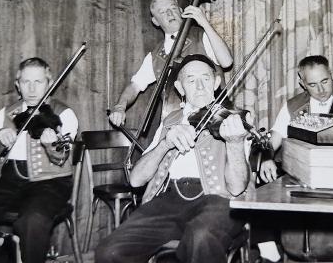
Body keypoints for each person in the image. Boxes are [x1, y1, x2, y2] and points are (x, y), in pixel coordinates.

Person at [96, 54, 250, 263]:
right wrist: (165, 144)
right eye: (191, 80)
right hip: (167, 200)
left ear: (215, 83)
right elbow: (136, 180)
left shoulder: (234, 120)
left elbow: (237, 187)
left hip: (218, 200)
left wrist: (235, 143)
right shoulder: (170, 121)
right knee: (109, 251)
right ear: (180, 88)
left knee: (200, 237)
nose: (200, 86)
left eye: (205, 78)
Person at [0, 57, 79, 263]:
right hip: (7, 180)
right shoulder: (8, 113)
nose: (31, 89)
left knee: (32, 220)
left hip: (49, 182)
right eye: (26, 82)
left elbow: (61, 157)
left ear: (49, 83)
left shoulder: (63, 114)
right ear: (17, 85)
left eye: (38, 82)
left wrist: (50, 145)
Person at [108, 0, 233, 131]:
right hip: (176, 124)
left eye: (173, 8)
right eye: (162, 12)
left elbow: (227, 62)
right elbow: (135, 85)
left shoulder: (201, 35)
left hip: (214, 119)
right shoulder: (155, 55)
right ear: (155, 21)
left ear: (180, 11)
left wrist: (204, 23)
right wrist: (120, 106)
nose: (169, 13)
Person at [259, 55, 333, 183]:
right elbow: (272, 141)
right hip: (303, 174)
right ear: (303, 84)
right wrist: (266, 158)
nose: (321, 90)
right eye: (312, 84)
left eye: (325, 81)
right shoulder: (293, 106)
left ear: (332, 75)